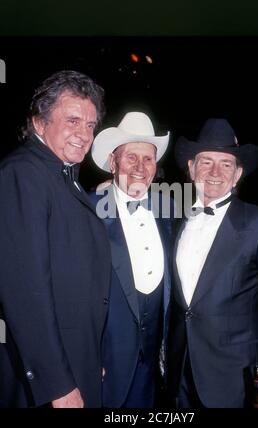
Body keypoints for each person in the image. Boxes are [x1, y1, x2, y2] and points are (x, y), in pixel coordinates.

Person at [0, 70, 111, 408]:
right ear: (39, 122)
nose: (84, 134)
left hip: (76, 360)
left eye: (90, 125)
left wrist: (91, 357)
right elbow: (25, 288)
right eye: (73, 121)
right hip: (47, 380)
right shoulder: (23, 173)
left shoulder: (63, 176)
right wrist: (56, 383)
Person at [167, 118, 258, 408]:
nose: (214, 172)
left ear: (237, 175)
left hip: (234, 379)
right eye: (206, 161)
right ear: (191, 168)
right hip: (178, 373)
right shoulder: (175, 223)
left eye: (226, 164)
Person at [90, 111, 173, 408]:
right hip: (102, 368)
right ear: (113, 163)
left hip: (152, 368)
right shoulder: (87, 212)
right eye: (131, 157)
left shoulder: (168, 211)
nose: (140, 167)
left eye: (148, 158)